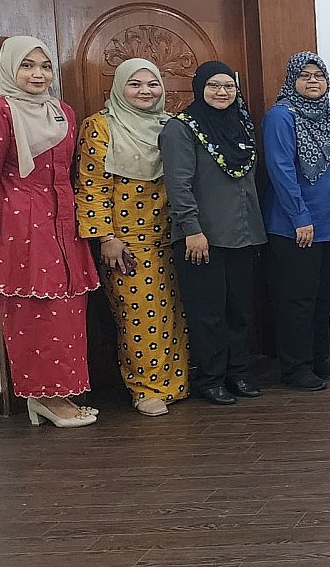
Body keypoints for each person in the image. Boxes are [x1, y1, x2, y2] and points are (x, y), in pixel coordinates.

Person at [0, 36, 100, 427]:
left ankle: (60, 393)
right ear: (10, 69)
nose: (38, 74)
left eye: (45, 66)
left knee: (68, 311)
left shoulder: (62, 112)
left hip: (64, 221)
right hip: (20, 224)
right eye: (27, 65)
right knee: (33, 312)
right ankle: (45, 398)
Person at [74, 58, 189, 416]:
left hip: (171, 234)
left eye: (152, 84)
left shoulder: (170, 125)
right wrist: (105, 237)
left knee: (175, 312)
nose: (145, 91)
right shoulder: (100, 126)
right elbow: (91, 185)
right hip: (126, 240)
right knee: (139, 315)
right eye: (135, 84)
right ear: (119, 87)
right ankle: (145, 389)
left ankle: (176, 384)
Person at [161, 61, 266, 405]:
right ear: (199, 88)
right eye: (214, 86)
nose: (222, 92)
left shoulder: (241, 124)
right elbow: (178, 183)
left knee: (239, 310)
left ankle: (238, 373)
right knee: (209, 313)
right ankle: (211, 379)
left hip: (243, 233)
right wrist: (192, 229)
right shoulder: (181, 128)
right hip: (201, 237)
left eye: (228, 86)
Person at [262, 51, 330, 391]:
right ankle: (295, 367)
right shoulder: (281, 116)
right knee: (297, 299)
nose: (313, 81)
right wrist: (300, 217)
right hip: (296, 226)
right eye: (305, 75)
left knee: (322, 295)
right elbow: (281, 169)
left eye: (319, 75)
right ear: (292, 80)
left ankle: (318, 358)